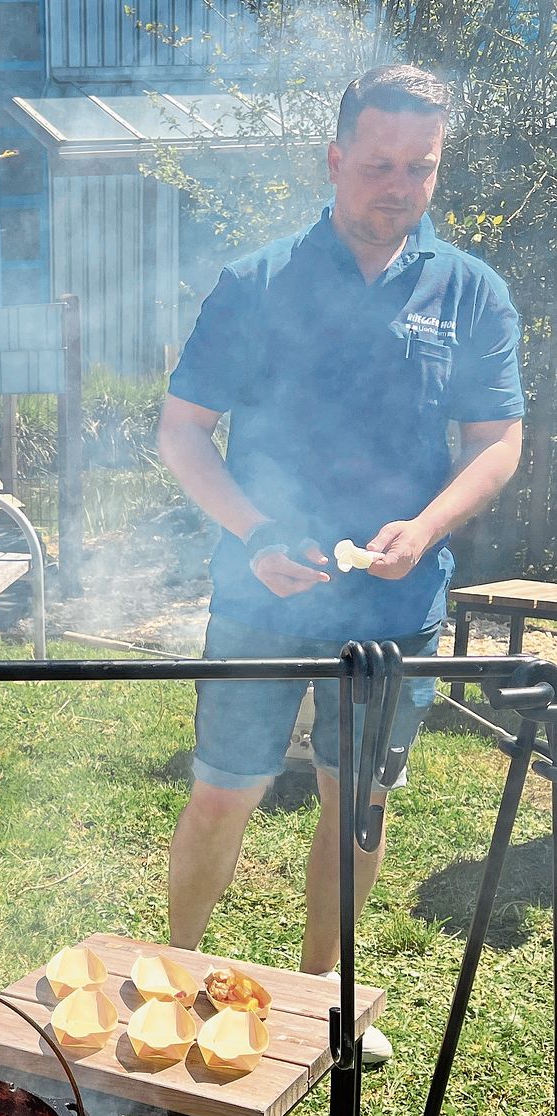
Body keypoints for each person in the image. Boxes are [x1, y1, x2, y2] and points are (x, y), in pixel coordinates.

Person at [159, 65, 525, 1065]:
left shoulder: (469, 291)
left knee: (353, 803)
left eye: (419, 167)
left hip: (394, 606)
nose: (397, 185)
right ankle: (172, 980)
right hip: (258, 602)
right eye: (376, 164)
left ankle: (323, 999)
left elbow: (497, 440)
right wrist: (254, 533)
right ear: (334, 160)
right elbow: (182, 432)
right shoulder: (256, 282)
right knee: (223, 793)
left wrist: (429, 522)